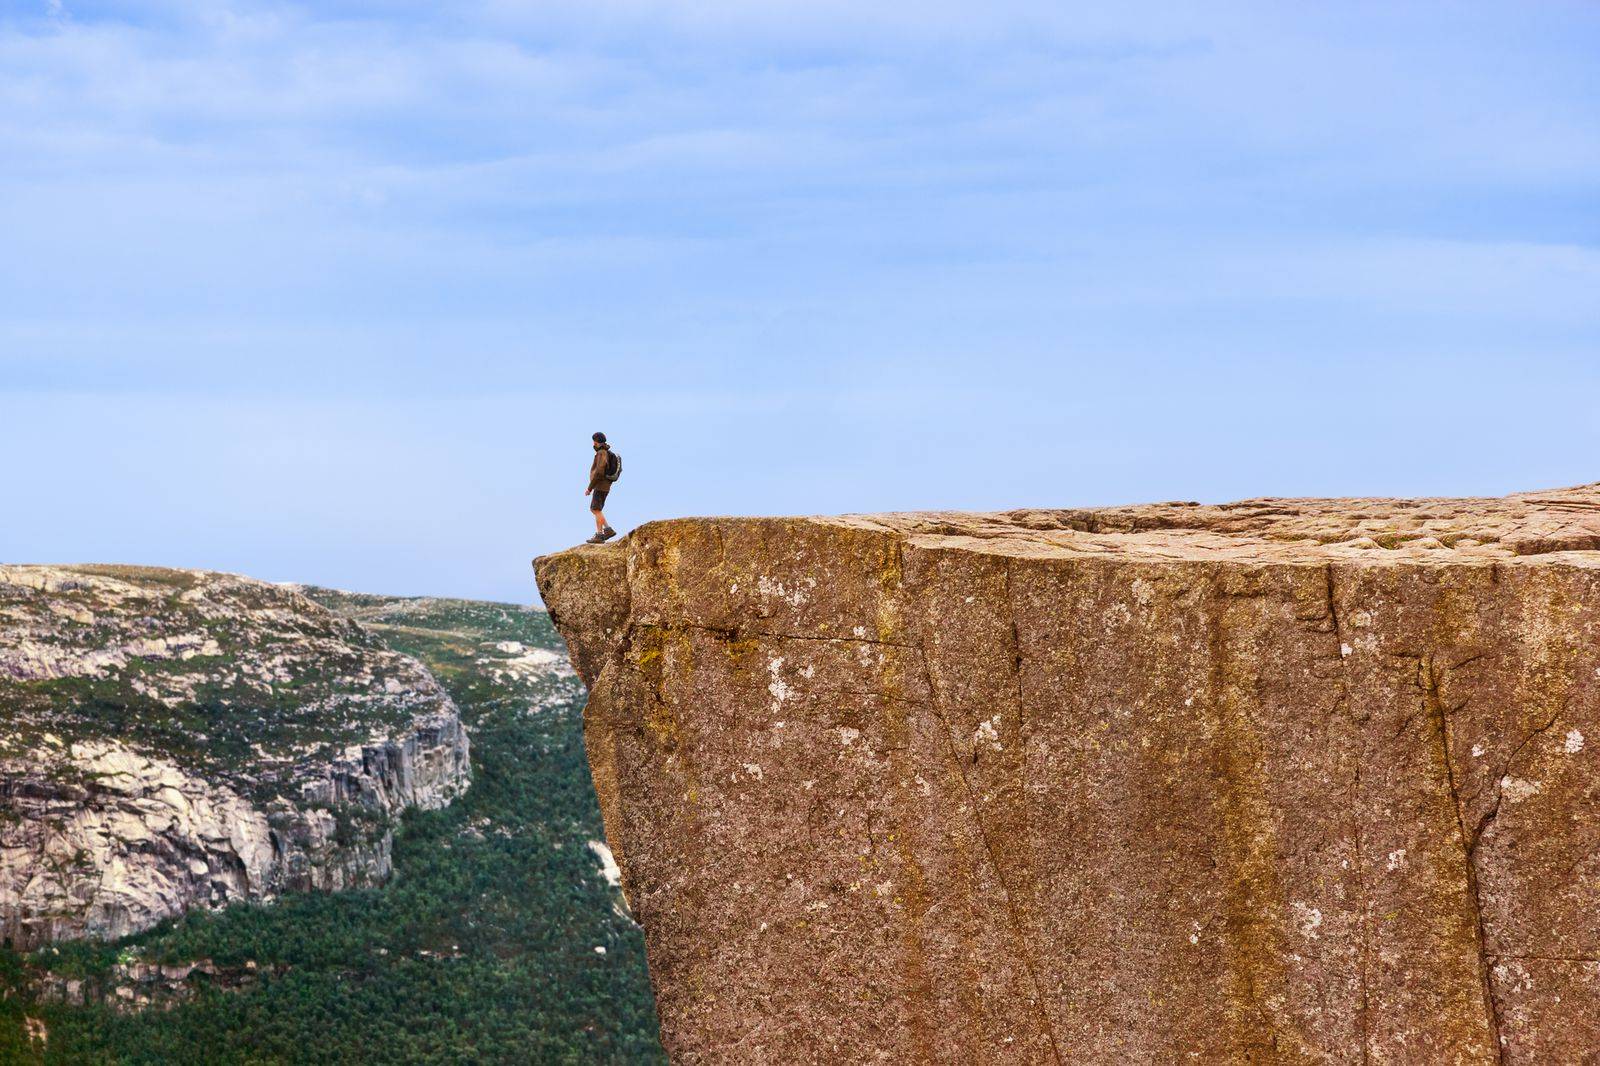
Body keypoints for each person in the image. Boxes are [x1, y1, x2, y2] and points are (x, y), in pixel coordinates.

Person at [585, 431, 618, 543]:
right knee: (597, 510)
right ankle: (599, 534)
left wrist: (590, 487)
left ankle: (608, 530)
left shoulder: (601, 453)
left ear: (596, 441)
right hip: (605, 485)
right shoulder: (606, 452)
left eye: (593, 441)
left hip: (600, 485)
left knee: (594, 509)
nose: (593, 444)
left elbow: (599, 472)